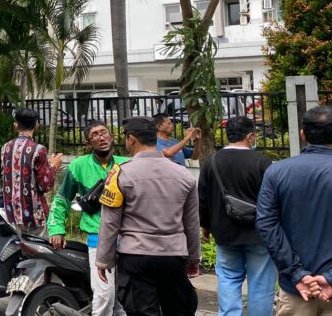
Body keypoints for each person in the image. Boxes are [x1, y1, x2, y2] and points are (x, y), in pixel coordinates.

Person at [95, 116, 201, 316]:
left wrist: (104, 260)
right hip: (173, 256)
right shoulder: (184, 175)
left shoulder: (119, 174)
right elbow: (191, 223)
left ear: (132, 139)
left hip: (136, 257)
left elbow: (110, 223)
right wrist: (194, 258)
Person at [257, 105, 332, 314]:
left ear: (302, 134)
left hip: (296, 289)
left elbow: (266, 225)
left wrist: (297, 273)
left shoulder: (276, 172)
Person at [48, 120, 128, 316]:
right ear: (88, 143)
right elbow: (62, 199)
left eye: (104, 132)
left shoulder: (126, 164)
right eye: (95, 135)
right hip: (98, 239)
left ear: (111, 136)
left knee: (123, 298)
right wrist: (57, 228)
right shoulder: (78, 166)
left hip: (128, 239)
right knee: (104, 296)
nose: (101, 137)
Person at [199, 116, 275, 316]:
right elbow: (274, 199)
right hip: (259, 233)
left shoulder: (211, 161)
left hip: (224, 234)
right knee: (260, 282)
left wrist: (205, 227)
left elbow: (203, 198)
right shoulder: (263, 162)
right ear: (250, 136)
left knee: (228, 278)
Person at [1, 108, 62, 237]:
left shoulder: (5, 147)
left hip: (12, 214)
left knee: (19, 251)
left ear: (15, 125)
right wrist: (53, 166)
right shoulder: (38, 149)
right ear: (37, 125)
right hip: (34, 215)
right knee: (40, 252)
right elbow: (45, 186)